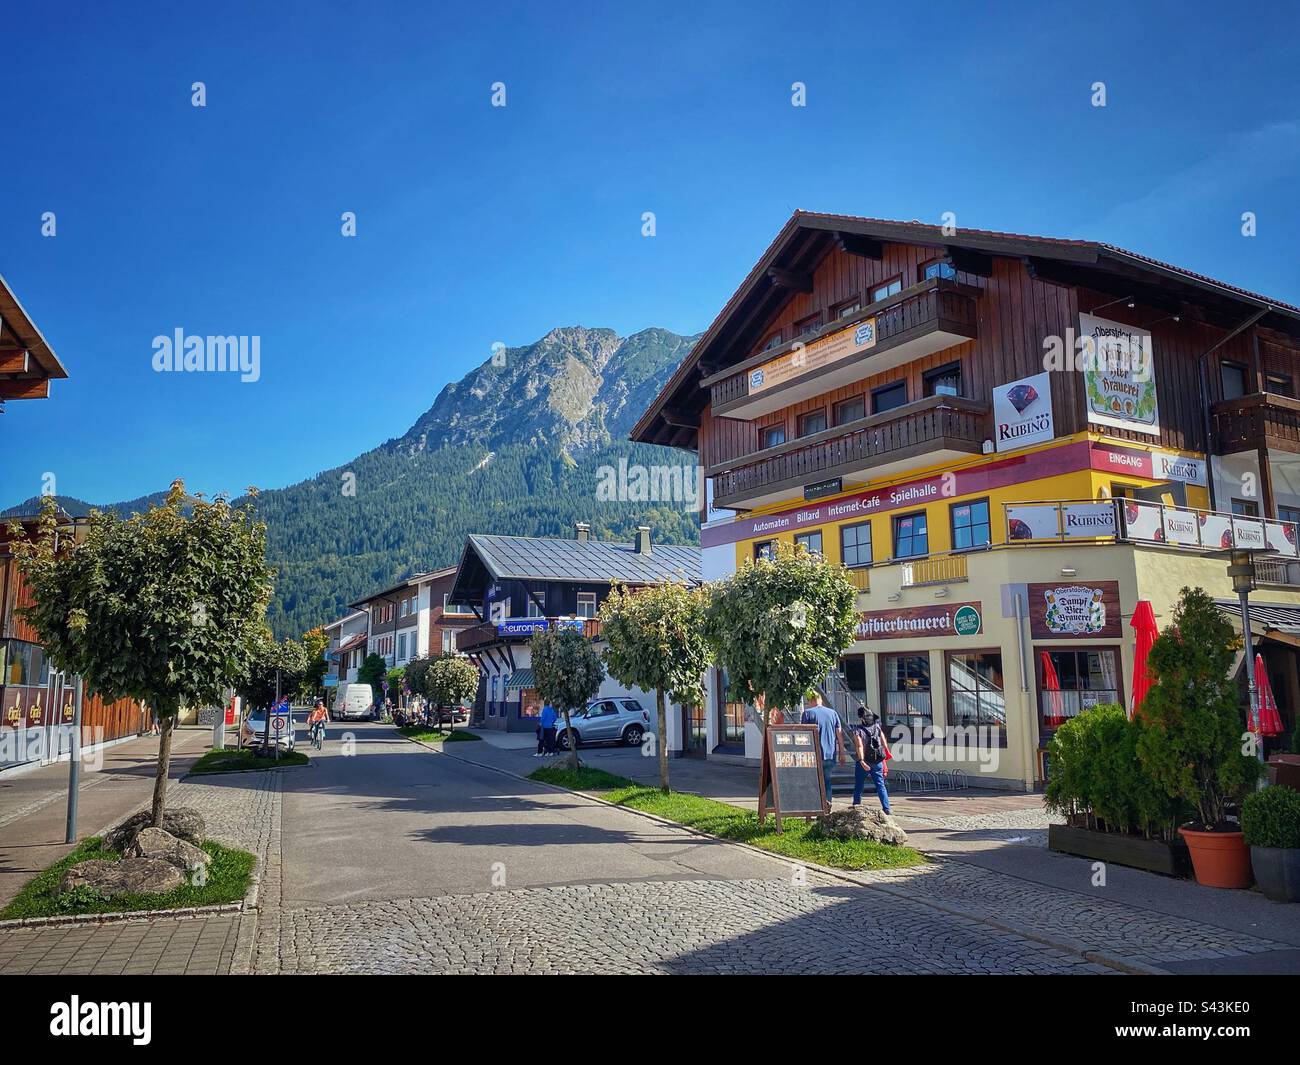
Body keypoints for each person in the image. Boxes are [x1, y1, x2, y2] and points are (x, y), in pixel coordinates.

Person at [800, 690, 845, 806]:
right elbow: (839, 734)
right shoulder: (833, 713)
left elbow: (804, 735)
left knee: (813, 782)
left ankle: (816, 807)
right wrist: (842, 753)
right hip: (830, 754)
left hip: (814, 754)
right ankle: (827, 805)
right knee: (826, 781)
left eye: (808, 701)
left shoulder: (807, 714)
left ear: (811, 700)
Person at [850, 707, 891, 814]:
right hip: (877, 760)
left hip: (865, 761)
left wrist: (861, 760)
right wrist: (884, 756)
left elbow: (859, 746)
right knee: (880, 784)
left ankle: (856, 805)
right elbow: (884, 743)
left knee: (859, 784)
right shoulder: (877, 727)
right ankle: (886, 808)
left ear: (860, 718)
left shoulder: (857, 730)